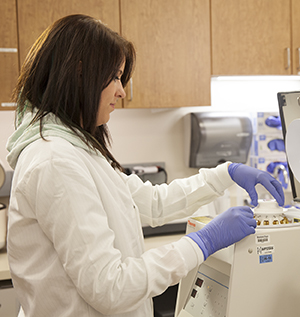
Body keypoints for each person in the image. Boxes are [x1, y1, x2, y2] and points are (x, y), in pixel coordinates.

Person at [6, 14, 284, 317]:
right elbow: (110, 287)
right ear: (79, 74)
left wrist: (224, 175)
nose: (122, 91)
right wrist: (203, 242)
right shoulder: (56, 162)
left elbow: (152, 203)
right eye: (114, 77)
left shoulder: (77, 150)